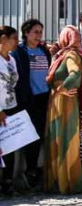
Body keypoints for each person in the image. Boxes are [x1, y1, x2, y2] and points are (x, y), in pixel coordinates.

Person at [45, 25, 82, 195]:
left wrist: (63, 88)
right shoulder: (62, 55)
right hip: (59, 101)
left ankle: (67, 182)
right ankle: (59, 181)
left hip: (65, 102)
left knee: (65, 140)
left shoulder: (70, 54)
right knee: (59, 139)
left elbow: (75, 74)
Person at [11, 19, 51, 189]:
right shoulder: (19, 52)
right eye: (35, 32)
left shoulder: (43, 50)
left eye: (40, 32)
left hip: (44, 97)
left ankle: (38, 170)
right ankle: (28, 171)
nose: (38, 35)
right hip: (28, 99)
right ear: (26, 33)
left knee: (42, 134)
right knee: (31, 137)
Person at [1, 25, 20, 195]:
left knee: (10, 147)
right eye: (14, 38)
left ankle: (7, 182)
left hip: (11, 106)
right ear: (3, 40)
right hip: (0, 109)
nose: (17, 41)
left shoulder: (12, 60)